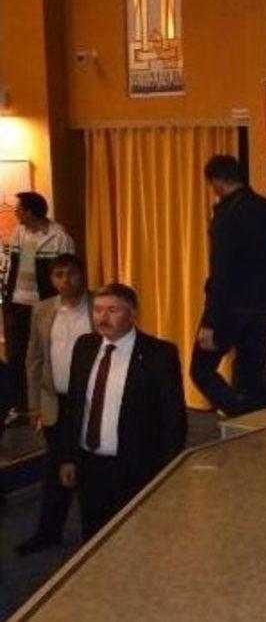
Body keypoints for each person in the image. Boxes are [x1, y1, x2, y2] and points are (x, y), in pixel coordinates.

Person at [58, 284, 186, 539]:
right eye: (97, 310)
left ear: (132, 314)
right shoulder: (84, 346)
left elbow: (174, 419)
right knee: (94, 536)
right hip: (89, 464)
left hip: (136, 466)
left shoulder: (159, 354)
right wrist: (68, 457)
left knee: (137, 538)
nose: (102, 317)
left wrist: (167, 472)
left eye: (112, 310)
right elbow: (73, 406)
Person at [190, 155, 266, 417]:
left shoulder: (226, 216)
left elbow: (221, 271)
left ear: (216, 182)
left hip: (228, 309)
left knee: (200, 369)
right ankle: (249, 423)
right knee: (250, 376)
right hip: (261, 308)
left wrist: (210, 321)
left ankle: (237, 411)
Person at [15, 254, 92, 554]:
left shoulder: (98, 306)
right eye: (59, 275)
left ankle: (97, 532)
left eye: (71, 273)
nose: (65, 280)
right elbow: (33, 358)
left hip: (92, 400)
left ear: (82, 274)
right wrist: (34, 403)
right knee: (56, 469)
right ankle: (49, 532)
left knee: (92, 468)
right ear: (51, 280)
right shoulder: (43, 310)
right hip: (55, 401)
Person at [1, 191, 75, 426]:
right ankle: (19, 405)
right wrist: (8, 300)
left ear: (31, 212)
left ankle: (48, 404)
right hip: (18, 304)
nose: (15, 212)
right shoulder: (18, 233)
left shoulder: (59, 238)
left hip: (44, 306)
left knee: (45, 354)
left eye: (19, 209)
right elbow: (11, 268)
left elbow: (68, 274)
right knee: (17, 355)